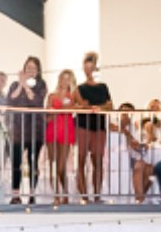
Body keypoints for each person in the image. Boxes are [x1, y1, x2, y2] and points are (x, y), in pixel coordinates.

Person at [7, 57, 46, 203]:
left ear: (38, 70)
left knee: (33, 163)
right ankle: (15, 195)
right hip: (18, 130)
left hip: (35, 130)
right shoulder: (14, 85)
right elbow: (11, 100)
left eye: (34, 68)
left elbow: (36, 101)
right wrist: (21, 84)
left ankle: (32, 194)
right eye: (28, 67)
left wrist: (26, 86)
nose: (31, 70)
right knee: (16, 162)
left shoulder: (41, 85)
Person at [75, 52, 112, 201]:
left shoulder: (103, 87)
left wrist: (97, 107)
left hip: (99, 125)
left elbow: (110, 106)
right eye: (86, 66)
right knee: (81, 159)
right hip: (83, 125)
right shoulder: (79, 87)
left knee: (98, 160)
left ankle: (97, 194)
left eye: (91, 66)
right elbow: (80, 105)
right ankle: (84, 194)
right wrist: (93, 107)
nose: (89, 69)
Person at [46, 70, 78, 203]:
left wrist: (66, 108)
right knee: (52, 164)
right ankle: (56, 195)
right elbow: (47, 115)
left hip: (66, 129)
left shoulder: (73, 95)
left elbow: (77, 108)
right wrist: (54, 112)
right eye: (62, 78)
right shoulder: (52, 95)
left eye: (67, 78)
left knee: (61, 166)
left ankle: (65, 192)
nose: (64, 81)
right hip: (52, 128)